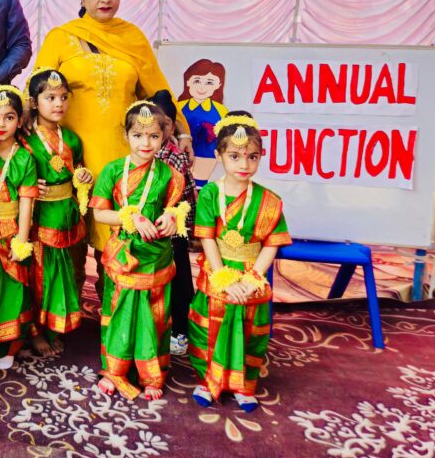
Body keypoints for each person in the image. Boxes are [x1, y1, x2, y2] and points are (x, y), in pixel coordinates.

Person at [34, 0, 191, 258]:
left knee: (119, 231)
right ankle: (70, 289)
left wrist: (183, 133)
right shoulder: (61, 37)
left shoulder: (132, 37)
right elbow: (36, 88)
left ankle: (114, 286)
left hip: (120, 151)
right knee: (67, 230)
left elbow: (158, 91)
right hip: (69, 151)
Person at [189, 112, 291, 413]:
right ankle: (208, 381)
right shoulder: (210, 194)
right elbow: (207, 238)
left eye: (252, 157)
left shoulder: (269, 200)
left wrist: (253, 277)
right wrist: (222, 276)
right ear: (219, 155)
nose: (244, 165)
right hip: (218, 270)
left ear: (260, 157)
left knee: (250, 331)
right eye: (234, 156)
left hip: (251, 275)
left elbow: (272, 243)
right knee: (209, 328)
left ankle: (244, 385)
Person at [89, 100, 190, 401]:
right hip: (124, 255)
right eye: (138, 135)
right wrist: (130, 218)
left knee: (153, 317)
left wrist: (172, 218)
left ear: (164, 136)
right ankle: (115, 371)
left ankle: (151, 375)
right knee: (120, 312)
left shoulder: (170, 175)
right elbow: (99, 214)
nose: (146, 143)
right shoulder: (112, 171)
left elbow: (176, 209)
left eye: (153, 136)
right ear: (126, 135)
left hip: (156, 256)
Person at [21, 68, 93, 357]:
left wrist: (83, 177)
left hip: (66, 214)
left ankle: (53, 326)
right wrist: (26, 184)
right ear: (33, 102)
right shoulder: (25, 138)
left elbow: (77, 172)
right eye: (50, 97)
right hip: (38, 215)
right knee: (38, 274)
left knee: (63, 273)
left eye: (63, 97)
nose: (58, 103)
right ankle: (35, 331)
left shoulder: (72, 139)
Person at [0, 85, 37, 369]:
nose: (1, 124)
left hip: (12, 230)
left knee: (13, 288)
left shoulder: (24, 158)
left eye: (9, 117)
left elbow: (26, 202)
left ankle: (9, 347)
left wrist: (22, 240)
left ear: (20, 120)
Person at [150, 90, 198, 356]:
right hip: (149, 229)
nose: (158, 130)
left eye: (165, 124)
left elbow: (183, 196)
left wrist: (184, 230)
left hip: (173, 230)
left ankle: (180, 331)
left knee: (178, 281)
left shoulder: (174, 155)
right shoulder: (144, 152)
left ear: (172, 126)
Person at [176, 58, 228, 185]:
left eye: (209, 82)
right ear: (188, 81)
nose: (201, 87)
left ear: (218, 85)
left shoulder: (222, 111)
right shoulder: (178, 107)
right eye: (197, 80)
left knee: (200, 188)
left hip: (207, 159)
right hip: (179, 157)